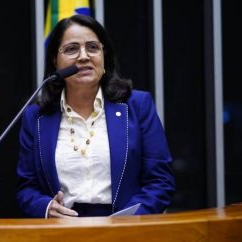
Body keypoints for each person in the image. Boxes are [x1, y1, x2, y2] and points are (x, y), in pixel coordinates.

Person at [16, 14, 175, 218]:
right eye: (72, 49)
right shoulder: (36, 117)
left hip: (126, 229)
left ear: (104, 57)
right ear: (55, 61)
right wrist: (46, 208)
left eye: (92, 47)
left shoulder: (137, 106)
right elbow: (26, 188)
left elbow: (160, 181)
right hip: (61, 231)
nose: (84, 56)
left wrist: (127, 222)